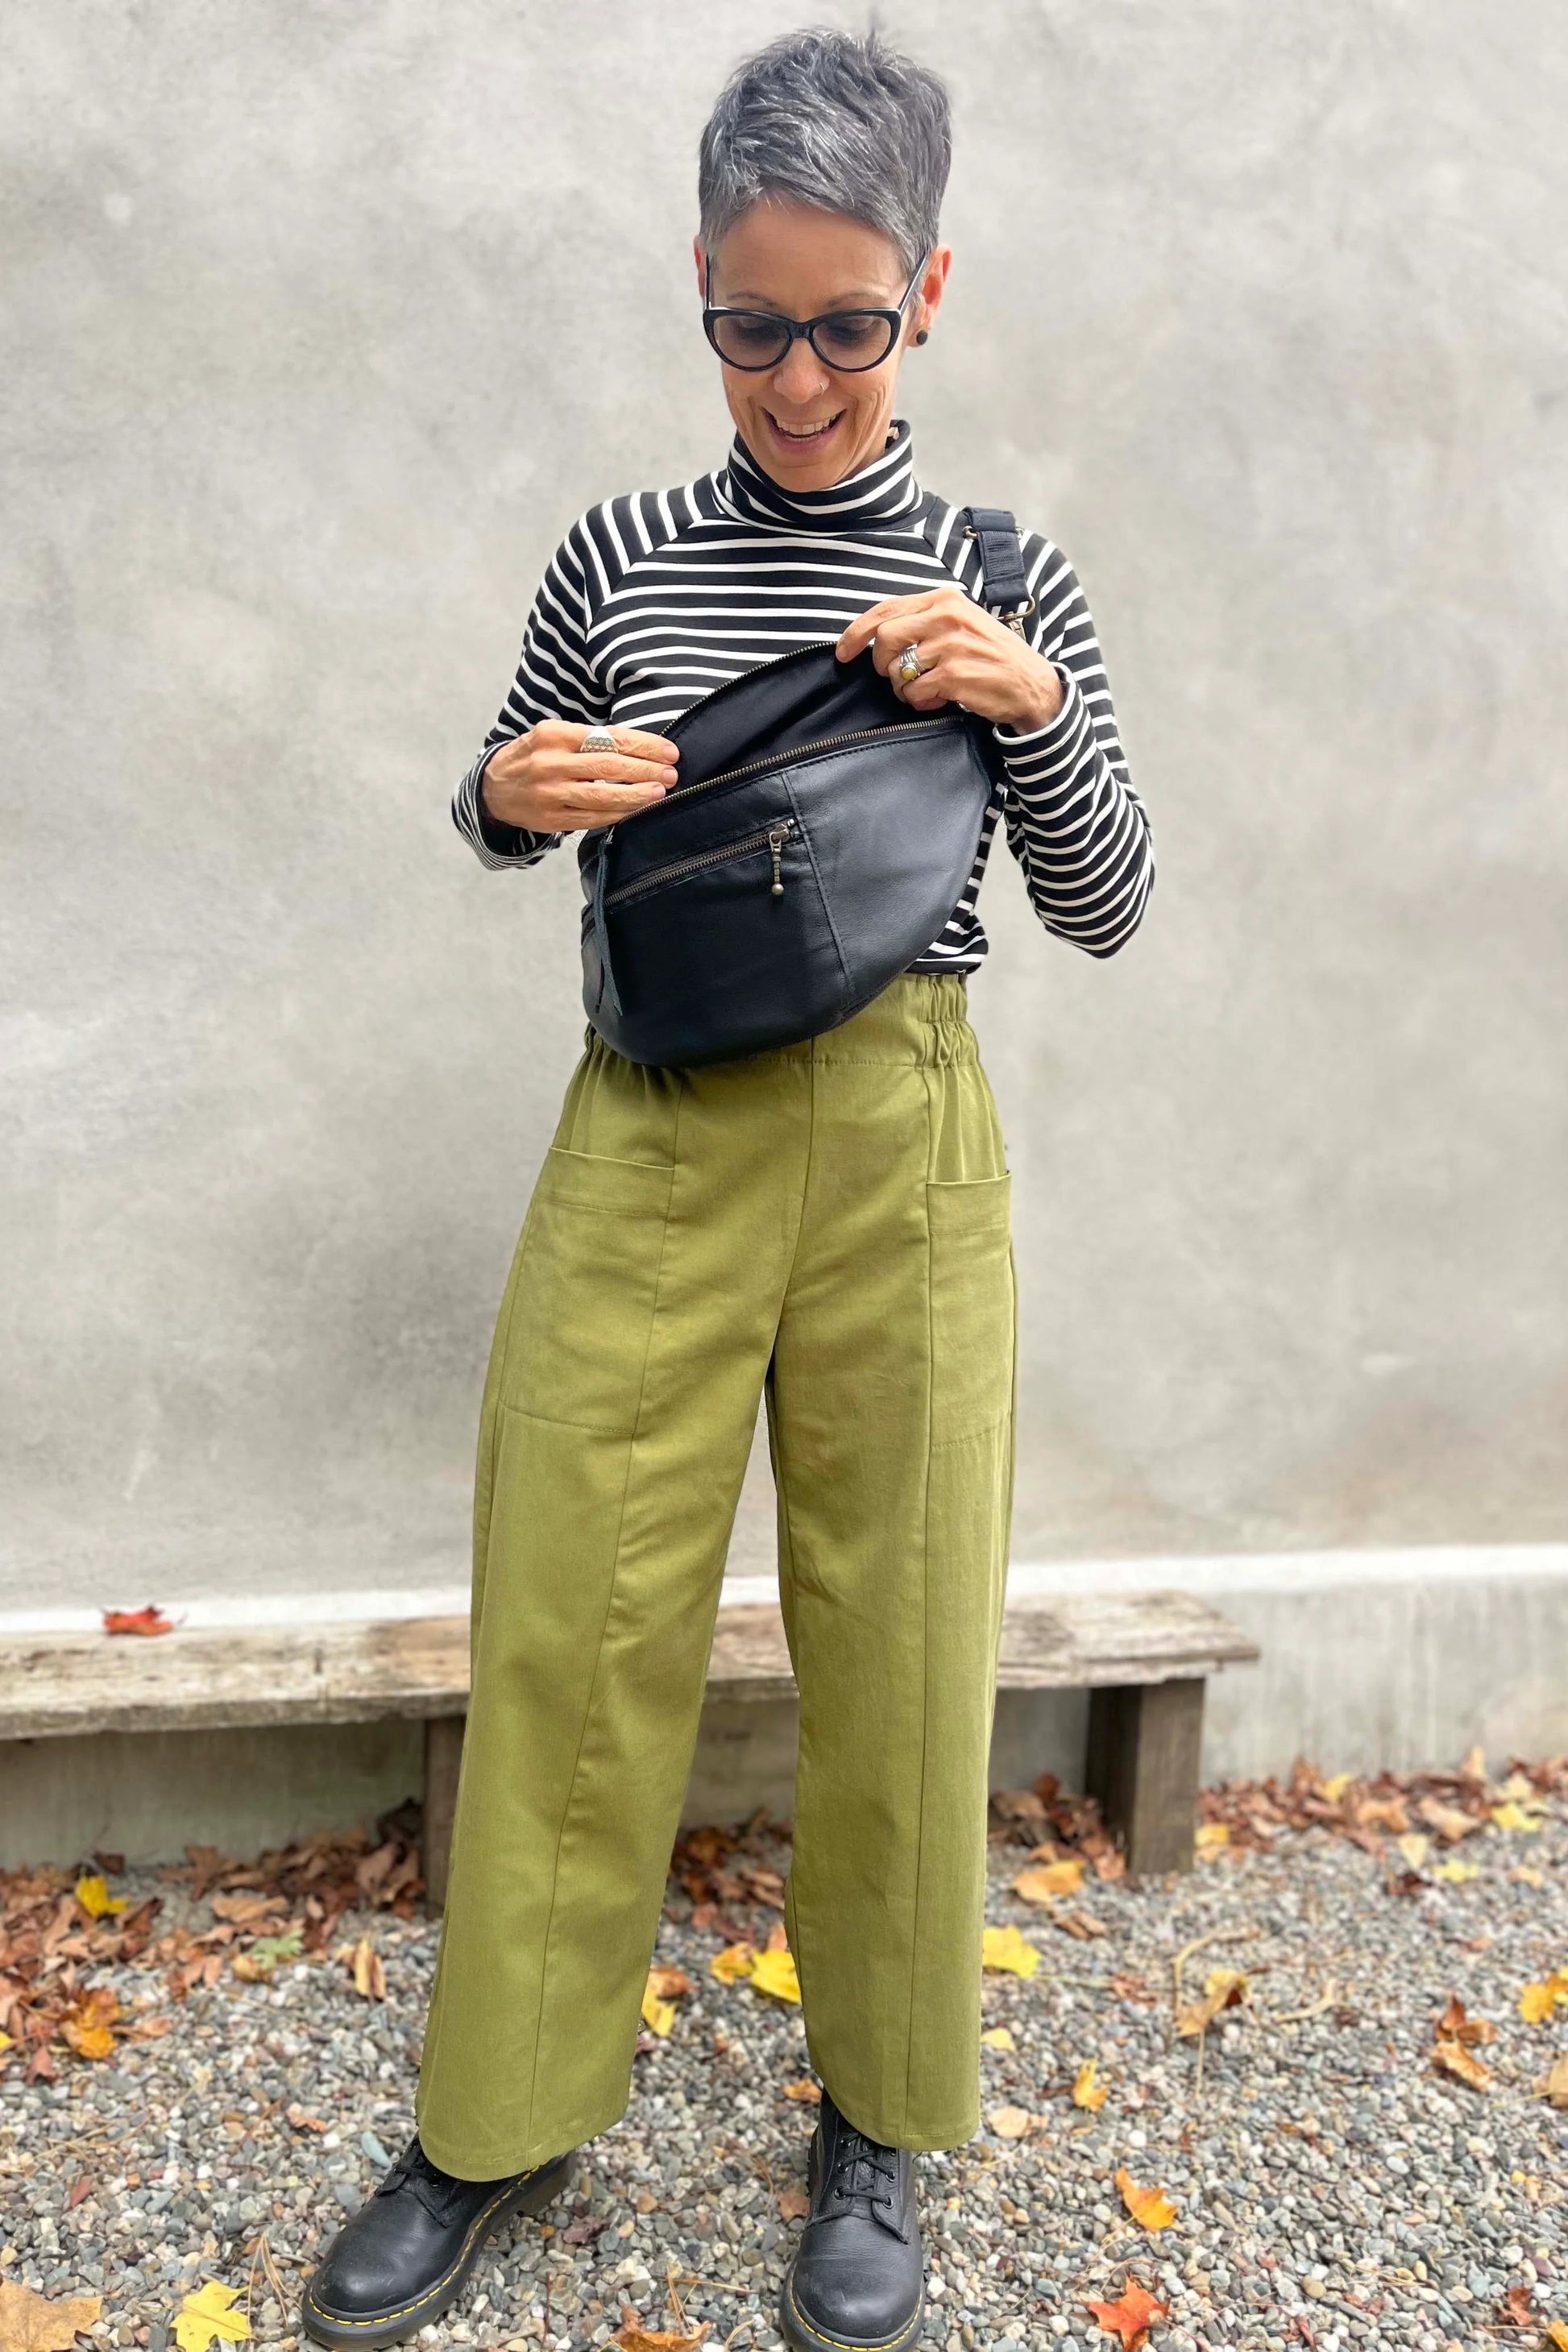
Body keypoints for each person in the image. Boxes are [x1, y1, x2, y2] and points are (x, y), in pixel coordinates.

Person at [302, 27, 1152, 2352]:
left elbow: (1104, 901)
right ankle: (498, 2120)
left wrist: (1036, 720)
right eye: (748, 324)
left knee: (899, 1637)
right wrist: (504, 797)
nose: (796, 376)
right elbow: (509, 806)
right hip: (652, 1124)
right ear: (697, 289)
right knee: (570, 1605)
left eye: (846, 324)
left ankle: (880, 2117)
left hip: (901, 1126)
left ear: (930, 292)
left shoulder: (1002, 564)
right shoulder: (624, 553)